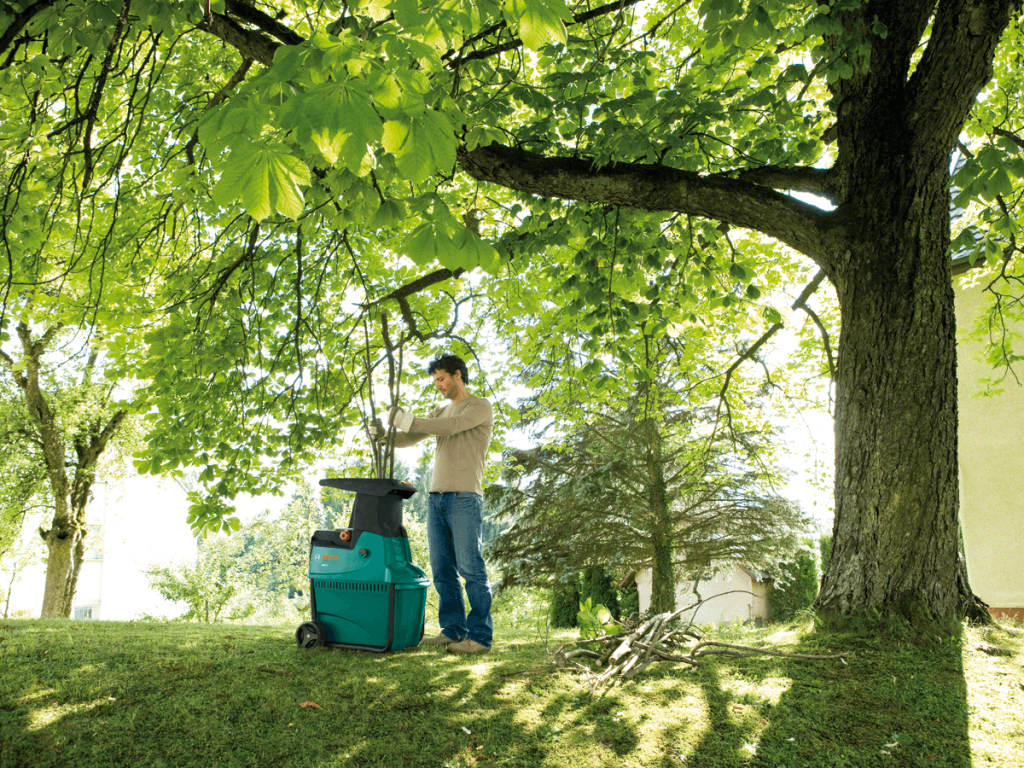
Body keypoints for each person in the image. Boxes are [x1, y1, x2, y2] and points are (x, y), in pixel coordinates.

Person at [385, 354, 494, 655]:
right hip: (437, 498)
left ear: (458, 375)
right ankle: (453, 630)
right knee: (442, 569)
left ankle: (481, 637)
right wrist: (385, 436)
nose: (439, 386)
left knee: (471, 568)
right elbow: (413, 436)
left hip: (464, 497)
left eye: (442, 379)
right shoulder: (439, 410)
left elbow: (450, 427)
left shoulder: (479, 406)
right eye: (435, 381)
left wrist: (407, 418)